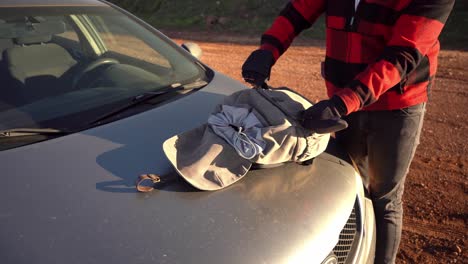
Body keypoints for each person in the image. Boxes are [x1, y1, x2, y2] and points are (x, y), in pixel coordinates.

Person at [241, 0, 455, 263]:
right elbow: (298, 11)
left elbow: (403, 56)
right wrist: (268, 49)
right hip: (344, 100)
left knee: (385, 197)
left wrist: (342, 104)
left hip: (396, 105)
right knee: (350, 182)